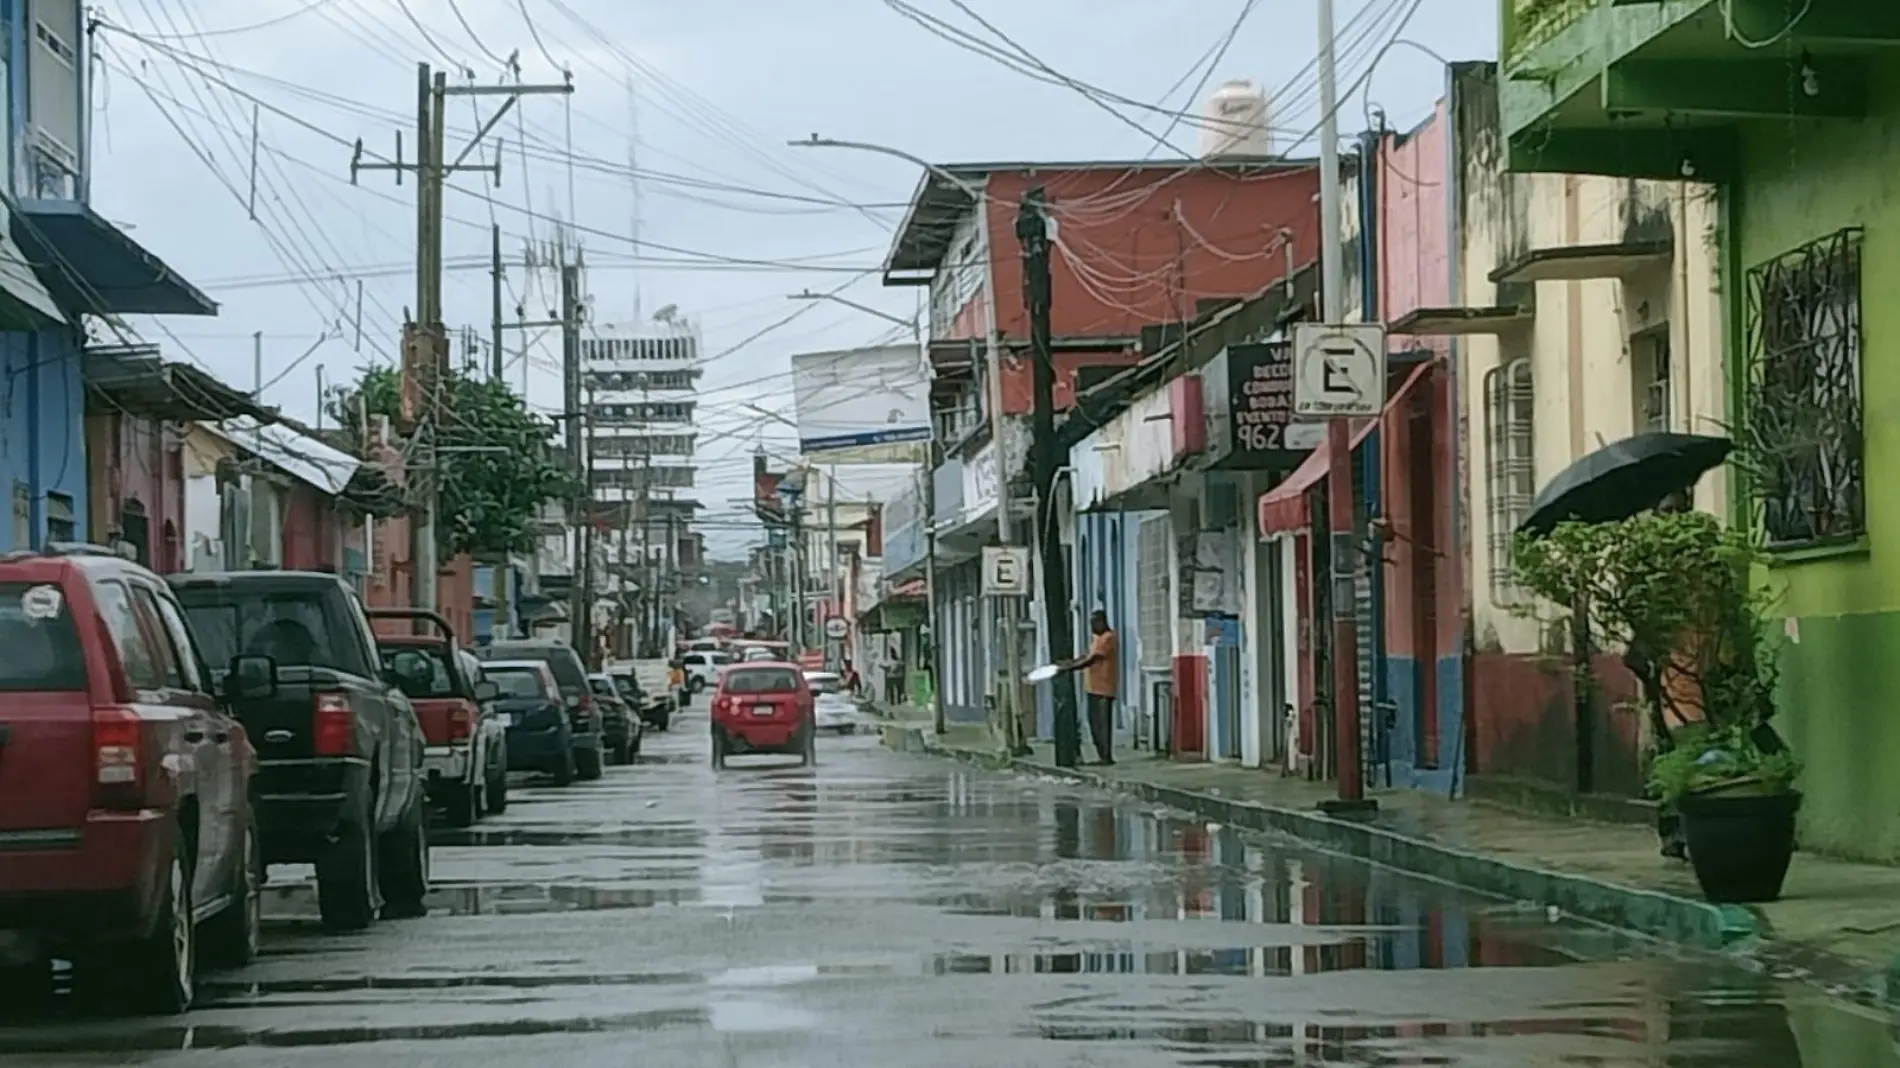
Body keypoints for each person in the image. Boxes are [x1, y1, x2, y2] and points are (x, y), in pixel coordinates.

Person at [1060, 610, 1120, 765]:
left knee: (1102, 724)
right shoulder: (1097, 639)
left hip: (1104, 688)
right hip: (1092, 687)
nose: (1092, 626)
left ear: (1102, 622)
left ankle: (1106, 756)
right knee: (1093, 723)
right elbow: (1086, 656)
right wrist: (1070, 662)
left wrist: (1071, 668)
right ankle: (1101, 755)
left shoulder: (1108, 638)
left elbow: (1093, 659)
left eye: (1094, 623)